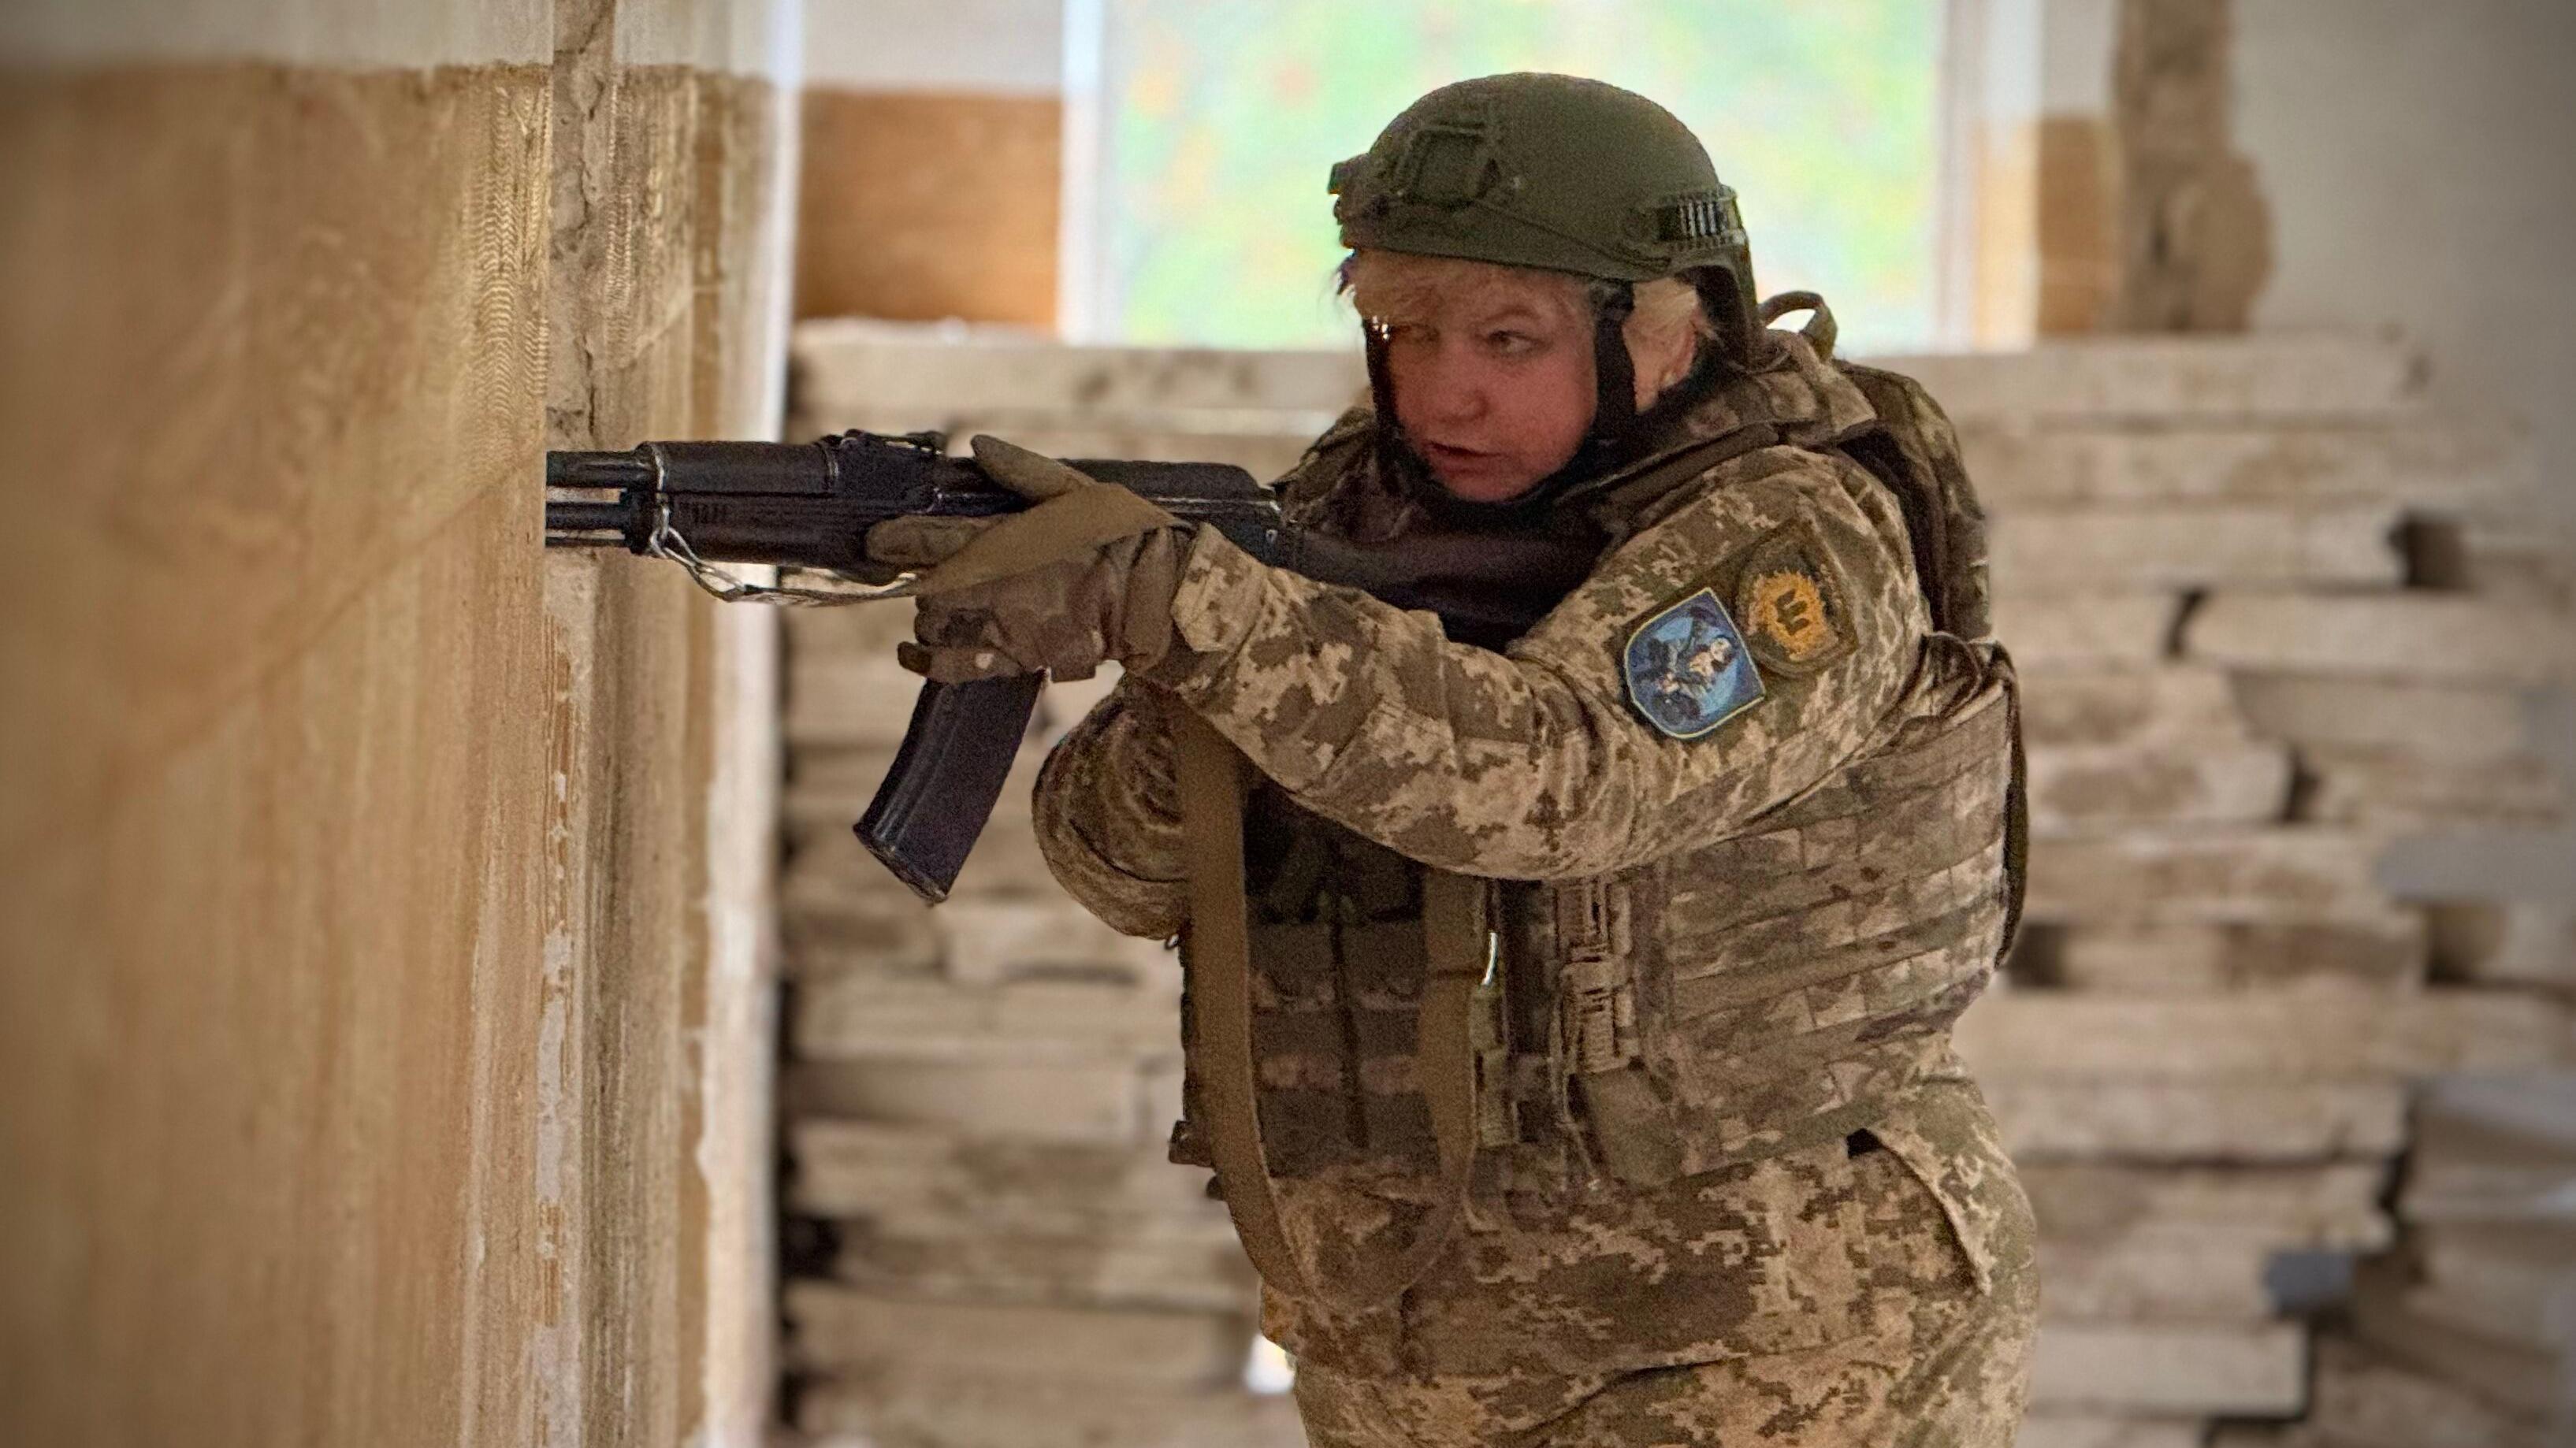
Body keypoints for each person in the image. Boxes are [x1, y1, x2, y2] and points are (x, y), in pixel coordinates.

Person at [868, 72, 2038, 1448]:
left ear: (1669, 330)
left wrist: (1204, 615)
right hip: (1418, 1338)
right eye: (1400, 330)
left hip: (1768, 1339)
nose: (1444, 390)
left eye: (1508, 337)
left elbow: (1563, 777)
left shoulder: (1797, 536)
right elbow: (1112, 861)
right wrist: (1179, 664)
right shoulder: (1352, 501)